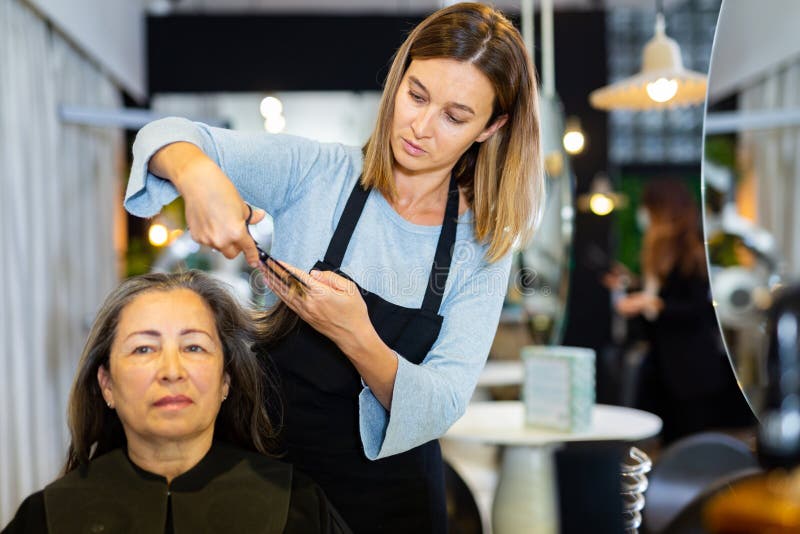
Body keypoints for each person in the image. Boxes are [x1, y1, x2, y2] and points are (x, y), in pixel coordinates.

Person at [122, 3, 542, 531]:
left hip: (393, 504)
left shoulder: (480, 246)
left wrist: (356, 335)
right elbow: (165, 136)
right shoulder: (317, 174)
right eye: (416, 95)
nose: (420, 126)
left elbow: (443, 402)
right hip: (272, 484)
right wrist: (202, 179)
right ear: (399, 78)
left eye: (455, 117)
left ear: (491, 127)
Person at [2, 271, 351, 534]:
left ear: (225, 381)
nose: (171, 371)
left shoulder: (298, 507)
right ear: (106, 384)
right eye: (144, 349)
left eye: (194, 347)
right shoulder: (47, 518)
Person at [613, 179, 754, 443]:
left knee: (691, 445)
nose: (643, 215)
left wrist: (653, 304)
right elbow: (662, 298)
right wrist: (633, 286)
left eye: (648, 208)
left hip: (690, 371)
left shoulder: (692, 252)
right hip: (662, 369)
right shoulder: (655, 251)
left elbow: (698, 309)